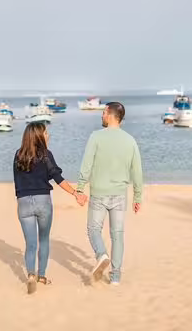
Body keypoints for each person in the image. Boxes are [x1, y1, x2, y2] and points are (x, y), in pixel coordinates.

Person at [13, 122, 87, 294]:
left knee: (30, 244)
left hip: (23, 202)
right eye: (46, 133)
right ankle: (42, 276)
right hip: (43, 201)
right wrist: (76, 193)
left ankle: (30, 275)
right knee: (44, 240)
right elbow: (57, 177)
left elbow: (17, 181)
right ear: (39, 135)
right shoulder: (46, 155)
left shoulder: (18, 155)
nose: (48, 135)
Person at [76, 102, 143, 285]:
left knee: (93, 229)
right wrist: (138, 196)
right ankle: (115, 277)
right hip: (120, 195)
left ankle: (101, 255)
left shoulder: (96, 137)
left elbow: (86, 164)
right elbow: (137, 171)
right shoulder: (130, 140)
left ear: (110, 114)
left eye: (103, 112)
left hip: (99, 193)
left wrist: (80, 188)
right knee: (118, 234)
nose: (101, 116)